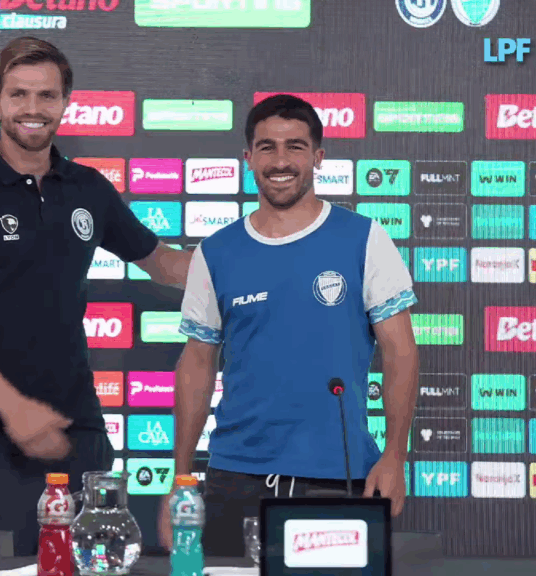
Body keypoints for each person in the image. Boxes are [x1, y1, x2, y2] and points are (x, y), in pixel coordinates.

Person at [0, 36, 192, 556]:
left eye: (46, 95)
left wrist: (260, 249)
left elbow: (165, 263)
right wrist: (14, 408)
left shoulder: (87, 188)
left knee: (87, 564)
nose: (33, 108)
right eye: (18, 94)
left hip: (75, 426)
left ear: (66, 102)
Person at [157, 94, 420, 556]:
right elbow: (197, 362)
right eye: (267, 147)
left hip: (337, 477)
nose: (280, 161)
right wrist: (180, 478)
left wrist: (394, 455)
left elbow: (401, 353)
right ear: (248, 158)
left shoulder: (364, 238)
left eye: (295, 147)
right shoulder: (215, 252)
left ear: (318, 157)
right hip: (234, 477)